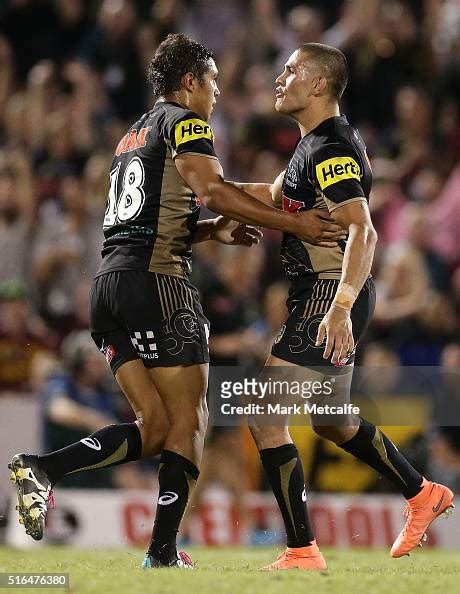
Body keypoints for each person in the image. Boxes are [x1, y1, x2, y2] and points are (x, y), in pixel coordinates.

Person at [8, 34, 344, 569]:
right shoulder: (185, 122)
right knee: (190, 424)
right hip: (158, 285)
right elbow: (211, 190)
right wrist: (293, 223)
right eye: (211, 81)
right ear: (191, 82)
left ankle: (42, 470)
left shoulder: (131, 134)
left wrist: (212, 233)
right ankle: (162, 552)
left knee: (157, 428)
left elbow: (152, 220)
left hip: (108, 289)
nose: (214, 93)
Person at [235, 43, 454, 570]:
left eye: (291, 70)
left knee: (265, 415)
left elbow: (364, 229)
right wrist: (213, 195)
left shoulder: (329, 147)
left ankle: (301, 548)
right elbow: (275, 193)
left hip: (326, 295)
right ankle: (423, 493)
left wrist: (340, 305)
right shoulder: (313, 144)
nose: (279, 76)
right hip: (325, 294)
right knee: (332, 420)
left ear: (317, 86)